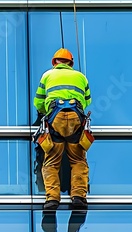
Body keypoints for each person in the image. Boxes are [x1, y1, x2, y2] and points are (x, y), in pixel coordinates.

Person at [34, 48, 92, 210]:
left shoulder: (47, 75)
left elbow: (38, 102)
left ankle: (52, 198)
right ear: (71, 63)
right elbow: (87, 101)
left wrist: (45, 111)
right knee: (78, 160)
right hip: (75, 121)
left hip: (55, 120)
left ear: (55, 62)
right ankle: (78, 197)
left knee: (52, 161)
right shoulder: (81, 77)